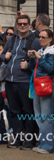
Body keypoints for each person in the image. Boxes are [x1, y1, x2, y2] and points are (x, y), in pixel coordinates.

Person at [4, 12, 40, 148]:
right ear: (16, 25)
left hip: (25, 81)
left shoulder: (35, 41)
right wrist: (5, 57)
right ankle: (17, 138)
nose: (23, 26)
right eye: (20, 24)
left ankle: (30, 140)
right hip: (10, 80)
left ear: (29, 25)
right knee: (14, 111)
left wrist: (28, 65)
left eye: (25, 24)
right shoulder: (11, 40)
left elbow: (38, 61)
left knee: (28, 111)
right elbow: (3, 55)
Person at [27, 25, 54, 154]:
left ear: (51, 39)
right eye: (40, 37)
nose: (40, 39)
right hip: (38, 85)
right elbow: (34, 68)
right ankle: (43, 143)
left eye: (43, 37)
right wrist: (32, 59)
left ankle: (48, 145)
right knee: (39, 116)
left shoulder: (51, 51)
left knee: (46, 116)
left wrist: (39, 57)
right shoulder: (42, 51)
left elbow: (50, 69)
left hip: (46, 86)